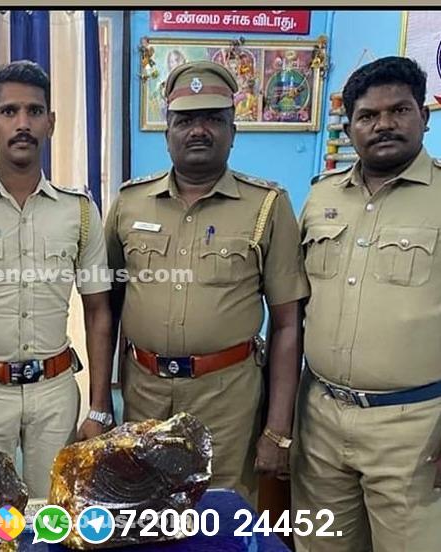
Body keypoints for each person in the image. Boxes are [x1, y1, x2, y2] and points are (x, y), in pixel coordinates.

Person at [105, 61, 309, 505]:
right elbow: (108, 306)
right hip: (144, 392)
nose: (198, 131)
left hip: (227, 399)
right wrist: (102, 404)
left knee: (221, 514)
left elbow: (287, 324)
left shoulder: (267, 206)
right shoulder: (128, 202)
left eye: (213, 119)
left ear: (233, 131)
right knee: (144, 510)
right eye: (185, 120)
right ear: (167, 133)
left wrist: (278, 429)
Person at [0, 60, 114, 499]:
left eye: (34, 111)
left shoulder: (79, 210)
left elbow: (98, 311)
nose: (23, 124)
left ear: (51, 122)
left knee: (53, 512)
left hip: (55, 393)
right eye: (9, 111)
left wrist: (99, 407)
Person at [293, 56, 441, 552]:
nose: (383, 125)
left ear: (423, 115)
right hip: (320, 417)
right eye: (368, 115)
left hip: (414, 430)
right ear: (350, 126)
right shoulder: (321, 198)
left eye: (398, 110)